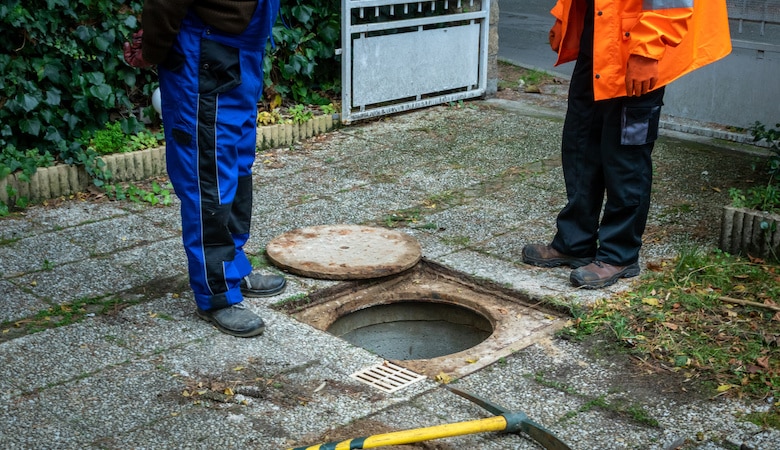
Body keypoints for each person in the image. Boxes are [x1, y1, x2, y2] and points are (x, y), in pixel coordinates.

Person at [522, 0, 732, 289]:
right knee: (580, 142)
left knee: (626, 155)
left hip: (640, 42)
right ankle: (575, 241)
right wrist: (564, 16)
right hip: (599, 33)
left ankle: (618, 254)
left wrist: (647, 52)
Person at [123, 0, 286, 337]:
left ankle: (233, 266)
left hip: (241, 55)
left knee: (238, 166)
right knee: (207, 177)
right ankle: (216, 293)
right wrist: (153, 49)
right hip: (204, 58)